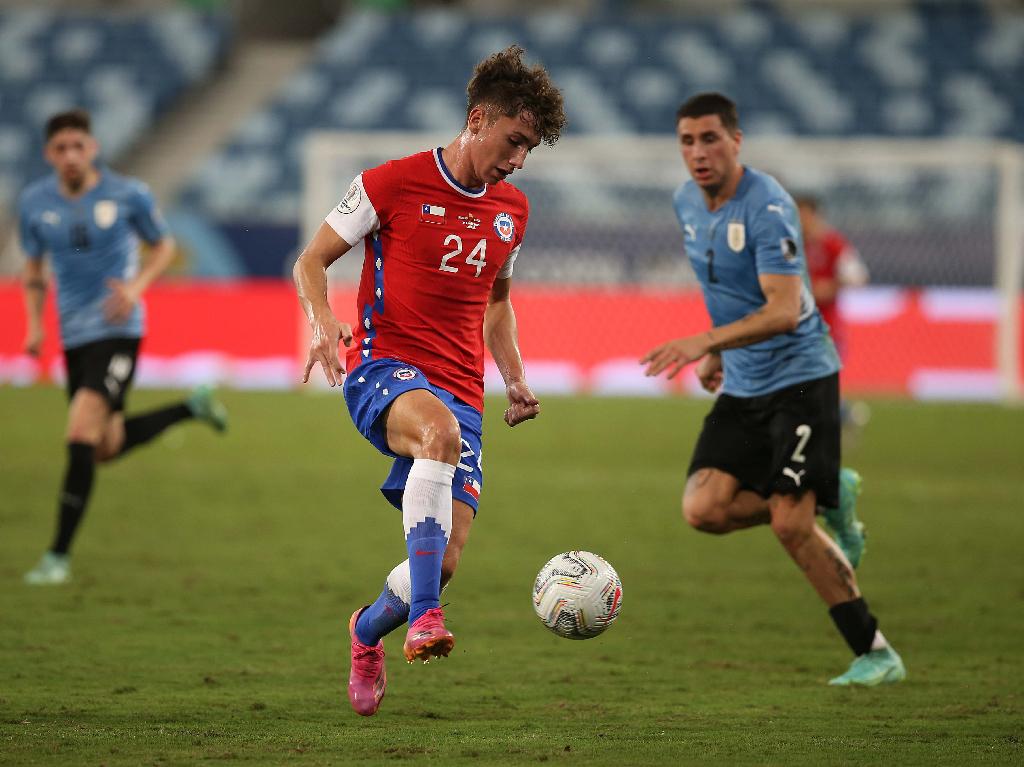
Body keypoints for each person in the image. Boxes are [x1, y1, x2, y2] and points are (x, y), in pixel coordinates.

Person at [293, 46, 566, 716]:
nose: (519, 159)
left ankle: (366, 631)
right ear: (478, 118)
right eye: (515, 141)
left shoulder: (513, 213)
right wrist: (323, 318)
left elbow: (496, 302)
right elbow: (312, 259)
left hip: (462, 391)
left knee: (438, 563)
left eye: (529, 148)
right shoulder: (392, 183)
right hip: (384, 368)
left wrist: (516, 376)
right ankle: (426, 622)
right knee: (436, 436)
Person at [640, 93, 905, 686]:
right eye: (687, 141)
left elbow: (785, 309)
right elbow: (725, 285)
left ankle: (875, 652)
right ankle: (826, 490)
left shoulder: (768, 206)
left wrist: (706, 342)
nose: (698, 153)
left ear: (737, 141)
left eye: (710, 139)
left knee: (791, 525)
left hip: (802, 379)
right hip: (746, 379)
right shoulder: (686, 201)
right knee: (703, 510)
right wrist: (723, 356)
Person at [19, 108, 228, 585]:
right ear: (49, 154)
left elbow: (162, 247)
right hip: (73, 335)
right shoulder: (34, 203)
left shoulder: (127, 194)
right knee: (104, 446)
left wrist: (134, 289)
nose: (71, 156)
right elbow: (33, 269)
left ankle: (57, 556)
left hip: (118, 330)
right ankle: (190, 408)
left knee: (79, 434)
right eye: (60, 148)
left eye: (79, 146)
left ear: (92, 148)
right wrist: (35, 326)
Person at [796, 194, 871, 431]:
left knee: (814, 382)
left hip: (825, 328)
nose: (801, 221)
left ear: (816, 216)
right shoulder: (790, 245)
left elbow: (858, 276)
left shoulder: (832, 244)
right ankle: (842, 414)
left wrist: (833, 286)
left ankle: (838, 416)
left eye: (804, 215)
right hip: (792, 327)